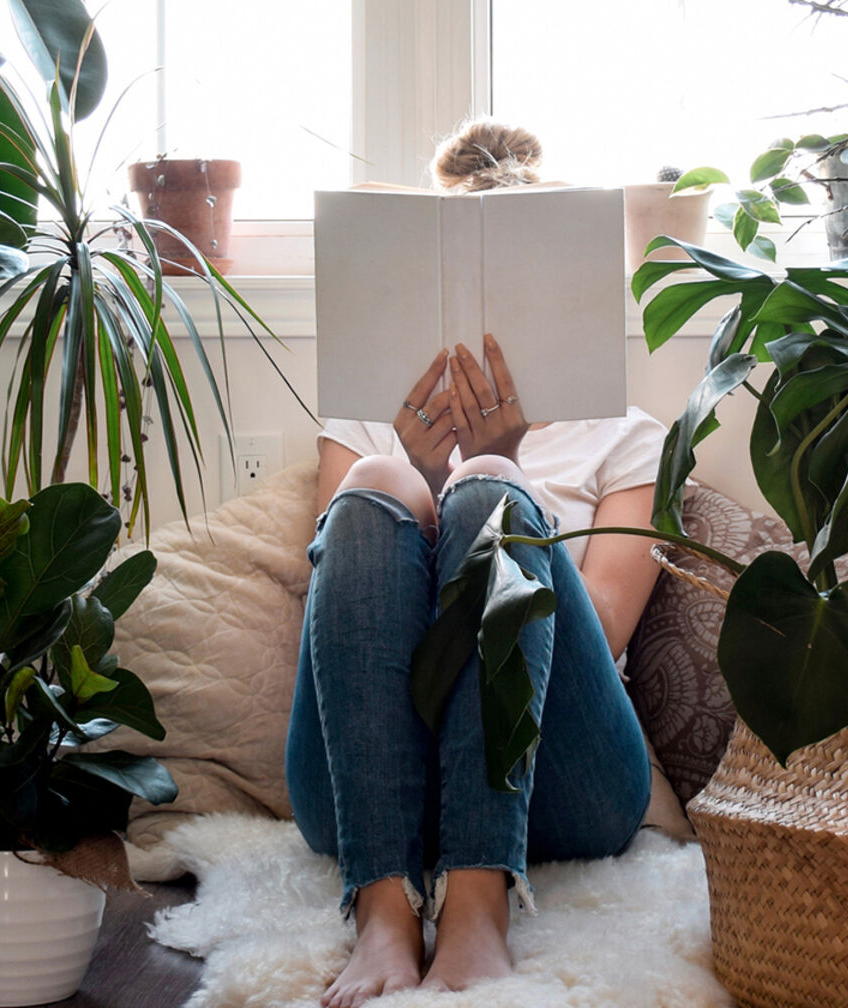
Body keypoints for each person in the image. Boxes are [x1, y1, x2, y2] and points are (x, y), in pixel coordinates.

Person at [285, 121, 666, 1007]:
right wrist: (420, 476)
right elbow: (336, 628)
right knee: (384, 479)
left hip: (565, 782)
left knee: (491, 483)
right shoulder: (363, 422)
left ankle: (478, 905)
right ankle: (384, 911)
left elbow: (602, 630)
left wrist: (508, 479)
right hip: (368, 778)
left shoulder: (630, 438)